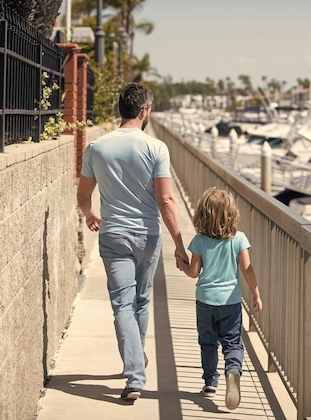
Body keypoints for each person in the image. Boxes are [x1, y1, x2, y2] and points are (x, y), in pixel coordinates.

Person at [77, 83, 188, 401]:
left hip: (113, 235)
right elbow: (166, 200)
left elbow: (83, 194)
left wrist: (89, 213)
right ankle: (135, 368)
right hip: (147, 236)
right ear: (144, 111)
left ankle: (134, 368)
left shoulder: (97, 148)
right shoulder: (156, 148)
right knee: (140, 301)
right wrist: (179, 244)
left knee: (123, 305)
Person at [176, 187, 262, 410]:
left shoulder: (199, 241)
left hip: (205, 300)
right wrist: (255, 293)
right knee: (232, 343)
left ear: (202, 214)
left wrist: (182, 265)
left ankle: (210, 383)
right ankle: (232, 371)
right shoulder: (239, 239)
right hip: (231, 302)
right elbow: (247, 269)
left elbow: (194, 272)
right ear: (232, 214)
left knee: (208, 343)